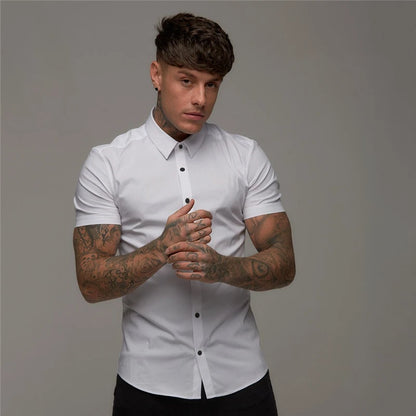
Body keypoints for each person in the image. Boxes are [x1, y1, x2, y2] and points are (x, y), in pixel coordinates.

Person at [73, 12, 295, 416]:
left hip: (241, 381)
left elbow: (284, 263)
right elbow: (90, 282)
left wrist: (221, 268)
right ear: (157, 75)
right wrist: (162, 248)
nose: (200, 99)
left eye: (212, 84)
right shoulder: (109, 164)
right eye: (187, 81)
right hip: (149, 386)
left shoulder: (245, 157)